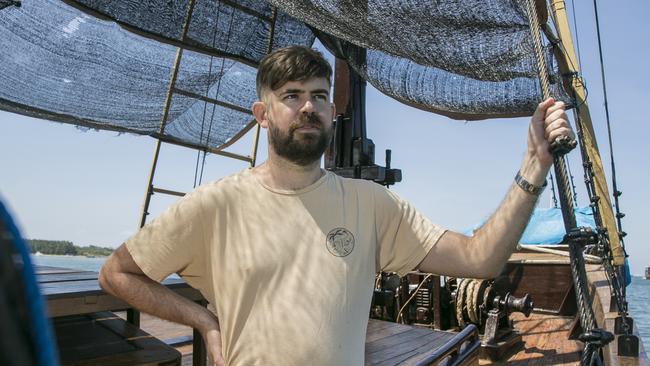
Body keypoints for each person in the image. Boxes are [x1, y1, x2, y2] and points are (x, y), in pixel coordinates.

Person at [99, 46, 573, 366]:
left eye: (319, 96)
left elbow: (480, 259)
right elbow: (116, 274)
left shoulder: (370, 205)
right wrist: (204, 321)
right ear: (262, 115)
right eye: (291, 96)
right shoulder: (215, 206)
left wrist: (533, 165)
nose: (308, 107)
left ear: (331, 111)